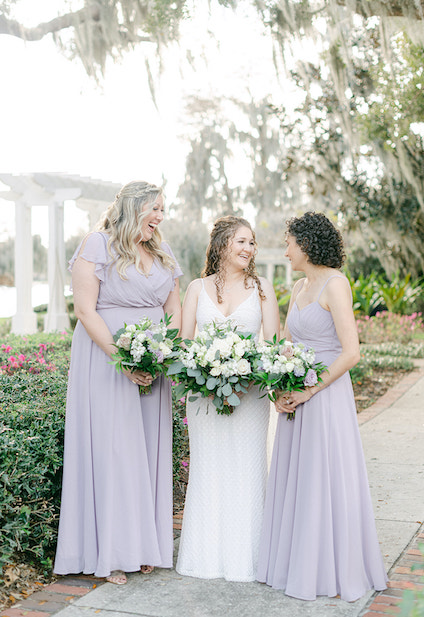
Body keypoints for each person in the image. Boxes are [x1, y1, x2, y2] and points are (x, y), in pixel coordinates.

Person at [54, 180, 182, 585]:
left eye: (163, 209)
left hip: (153, 364)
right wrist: (124, 360)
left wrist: (163, 353)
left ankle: (144, 545)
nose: (160, 216)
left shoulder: (161, 250)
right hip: (107, 361)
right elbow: (85, 310)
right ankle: (111, 552)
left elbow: (174, 308)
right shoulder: (97, 244)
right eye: (155, 209)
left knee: (147, 450)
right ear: (133, 207)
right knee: (115, 451)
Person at [256, 211, 388, 601]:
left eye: (289, 244)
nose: (285, 252)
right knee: (300, 481)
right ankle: (297, 563)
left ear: (307, 245)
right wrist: (281, 383)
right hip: (296, 398)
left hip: (325, 399)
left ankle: (329, 569)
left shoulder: (336, 285)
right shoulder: (298, 287)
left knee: (324, 479)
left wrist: (310, 390)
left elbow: (351, 353)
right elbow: (287, 340)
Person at [176, 215, 280, 582]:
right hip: (204, 399)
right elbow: (184, 346)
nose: (249, 249)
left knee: (247, 470)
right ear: (222, 244)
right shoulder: (195, 288)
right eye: (242, 241)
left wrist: (246, 374)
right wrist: (204, 374)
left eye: (252, 243)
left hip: (250, 398)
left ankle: (247, 561)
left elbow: (274, 346)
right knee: (210, 470)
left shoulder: (262, 288)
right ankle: (205, 558)